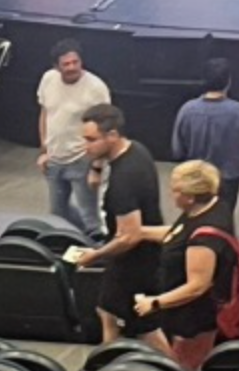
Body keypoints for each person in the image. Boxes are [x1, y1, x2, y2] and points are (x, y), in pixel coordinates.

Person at [75, 104, 167, 346]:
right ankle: (108, 358)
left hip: (135, 260)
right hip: (134, 255)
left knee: (145, 327)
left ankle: (170, 363)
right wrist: (96, 166)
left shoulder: (123, 181)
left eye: (91, 140)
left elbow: (130, 236)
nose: (85, 146)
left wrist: (95, 255)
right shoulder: (136, 149)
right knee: (107, 312)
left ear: (112, 135)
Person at [135, 160, 238, 370]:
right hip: (180, 311)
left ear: (190, 197)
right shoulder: (206, 207)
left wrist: (154, 303)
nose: (171, 194)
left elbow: (197, 286)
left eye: (176, 191)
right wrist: (140, 232)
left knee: (185, 365)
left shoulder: (204, 239)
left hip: (195, 318)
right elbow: (178, 234)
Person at [38, 38, 110, 236]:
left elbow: (105, 129)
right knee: (57, 214)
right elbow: (45, 114)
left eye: (75, 62)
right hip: (54, 158)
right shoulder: (48, 79)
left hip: (82, 159)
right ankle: (74, 241)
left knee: (90, 217)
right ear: (57, 67)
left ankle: (97, 245)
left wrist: (97, 167)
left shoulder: (96, 87)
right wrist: (44, 150)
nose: (71, 67)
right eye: (66, 64)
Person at [170, 58, 239, 211]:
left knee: (196, 216)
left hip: (196, 178)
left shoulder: (187, 110)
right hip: (229, 179)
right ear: (229, 82)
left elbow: (177, 150)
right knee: (223, 217)